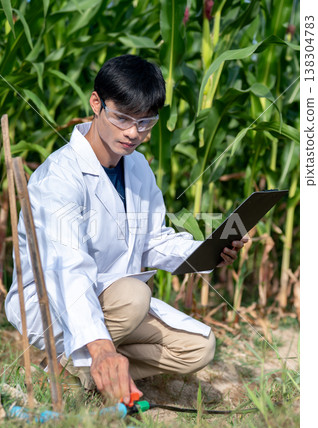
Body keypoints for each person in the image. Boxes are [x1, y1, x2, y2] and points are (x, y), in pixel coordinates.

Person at [5, 55, 247, 404]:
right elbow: (69, 270)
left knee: (199, 348)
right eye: (122, 118)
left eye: (146, 123)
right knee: (135, 297)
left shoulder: (136, 168)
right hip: (54, 305)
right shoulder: (60, 177)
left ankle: (83, 377)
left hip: (115, 303)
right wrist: (102, 348)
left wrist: (206, 252)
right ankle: (71, 366)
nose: (134, 133)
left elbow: (153, 240)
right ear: (96, 103)